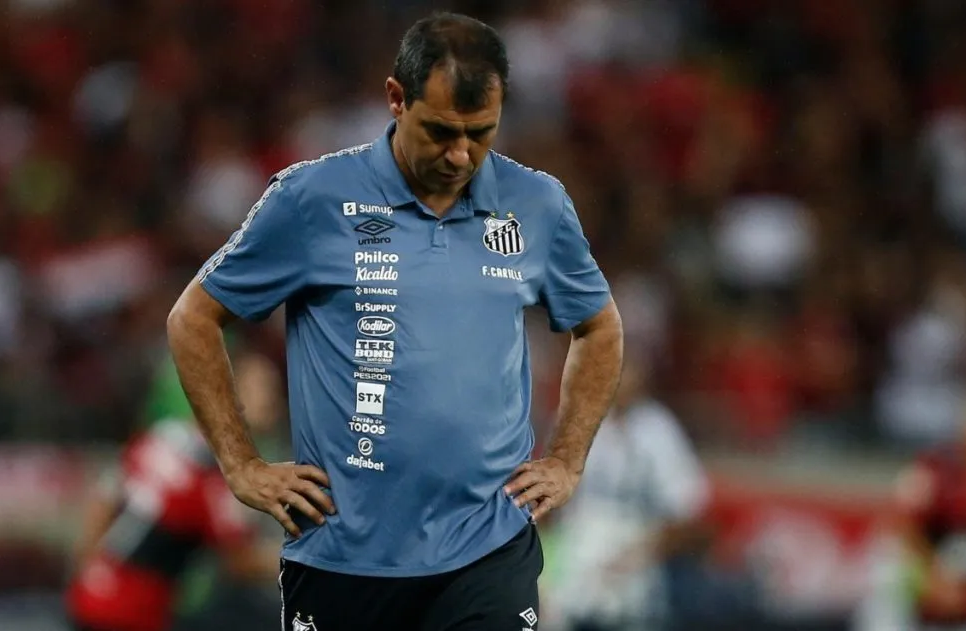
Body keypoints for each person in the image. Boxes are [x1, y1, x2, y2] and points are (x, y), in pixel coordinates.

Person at [165, 11, 624, 631]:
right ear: (395, 99)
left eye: (480, 133)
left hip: (486, 548)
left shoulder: (536, 203)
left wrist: (566, 459)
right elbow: (194, 317)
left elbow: (599, 327)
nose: (460, 155)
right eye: (440, 131)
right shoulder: (311, 198)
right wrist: (241, 464)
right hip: (341, 553)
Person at [64, 351, 284, 631]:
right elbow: (239, 562)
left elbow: (105, 499)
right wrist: (307, 557)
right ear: (231, 394)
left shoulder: (166, 435)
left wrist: (89, 571)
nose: (274, 402)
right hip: (131, 615)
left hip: (89, 599)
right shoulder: (218, 474)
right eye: (264, 389)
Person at [548, 357, 711, 631]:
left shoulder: (658, 430)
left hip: (636, 548)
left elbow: (688, 512)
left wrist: (638, 556)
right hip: (575, 546)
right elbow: (548, 504)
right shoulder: (575, 418)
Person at [895, 383, 966, 630]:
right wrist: (934, 579)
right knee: (890, 571)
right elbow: (905, 529)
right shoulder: (934, 466)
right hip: (934, 571)